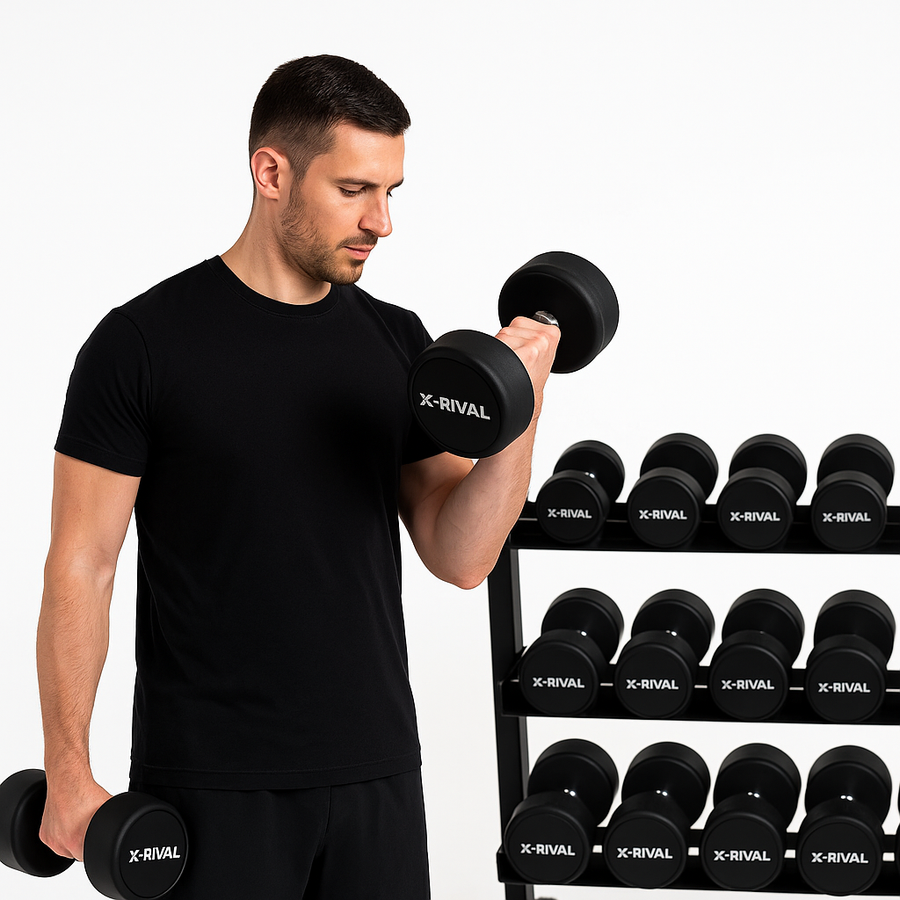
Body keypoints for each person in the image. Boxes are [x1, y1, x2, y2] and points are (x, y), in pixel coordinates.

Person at [34, 55, 559, 899]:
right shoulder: (140, 345)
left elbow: (459, 556)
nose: (381, 221)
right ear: (270, 172)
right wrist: (68, 772)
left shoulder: (399, 343)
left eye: (391, 192)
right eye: (355, 189)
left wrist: (517, 411)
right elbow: (82, 563)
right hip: (208, 785)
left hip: (377, 772)